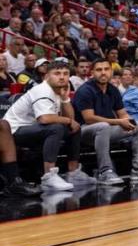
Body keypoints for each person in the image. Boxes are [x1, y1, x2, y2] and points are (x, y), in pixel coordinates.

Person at [3, 58, 88, 191]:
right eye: (57, 73)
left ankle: (73, 173)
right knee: (56, 127)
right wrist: (69, 121)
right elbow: (44, 119)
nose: (62, 77)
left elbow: (71, 120)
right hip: (14, 131)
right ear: (47, 76)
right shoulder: (42, 90)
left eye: (65, 74)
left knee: (75, 129)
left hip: (33, 129)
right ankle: (49, 176)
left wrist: (65, 99)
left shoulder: (57, 91)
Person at [73, 58, 138, 186]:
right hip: (83, 131)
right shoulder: (85, 90)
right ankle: (105, 172)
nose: (103, 73)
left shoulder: (113, 89)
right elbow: (89, 118)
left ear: (111, 71)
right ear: (92, 72)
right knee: (103, 126)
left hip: (107, 129)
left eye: (106, 69)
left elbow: (123, 113)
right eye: (99, 70)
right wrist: (119, 121)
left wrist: (130, 122)